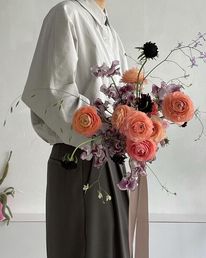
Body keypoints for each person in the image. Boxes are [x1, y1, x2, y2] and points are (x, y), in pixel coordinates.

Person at [21, 0, 131, 258]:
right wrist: (106, 131)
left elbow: (123, 99)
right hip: (78, 160)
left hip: (113, 163)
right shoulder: (66, 14)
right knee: (79, 250)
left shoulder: (110, 31)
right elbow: (51, 92)